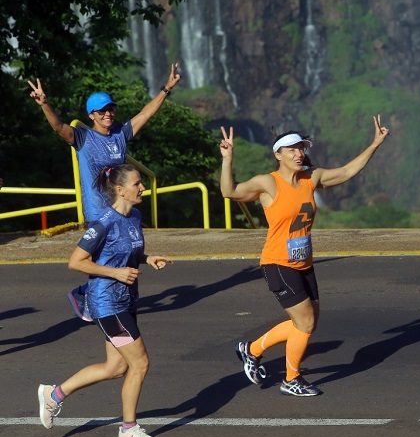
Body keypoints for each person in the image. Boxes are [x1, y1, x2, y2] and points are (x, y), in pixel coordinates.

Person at [221, 117, 389, 396]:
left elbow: (347, 171)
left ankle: (251, 350)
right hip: (277, 263)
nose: (299, 153)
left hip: (304, 264)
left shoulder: (312, 178)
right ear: (278, 154)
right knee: (306, 322)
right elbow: (230, 191)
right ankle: (291, 379)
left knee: (307, 322)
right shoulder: (268, 183)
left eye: (301, 148)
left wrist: (375, 144)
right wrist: (228, 159)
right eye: (292, 149)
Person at [27, 64, 181, 322]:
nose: (108, 114)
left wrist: (167, 88)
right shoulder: (83, 138)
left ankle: (90, 295)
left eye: (111, 109)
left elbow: (145, 115)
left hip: (119, 209)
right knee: (100, 259)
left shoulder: (120, 134)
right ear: (92, 115)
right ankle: (90, 299)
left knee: (118, 254)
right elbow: (59, 127)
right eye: (102, 111)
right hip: (98, 211)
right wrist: (44, 104)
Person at [37, 164, 172, 437]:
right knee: (140, 364)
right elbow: (75, 262)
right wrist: (116, 273)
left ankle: (54, 395)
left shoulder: (134, 216)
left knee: (115, 368)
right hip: (107, 304)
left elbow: (125, 251)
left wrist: (147, 259)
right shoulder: (103, 223)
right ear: (121, 190)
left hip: (126, 299)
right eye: (137, 184)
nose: (143, 188)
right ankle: (128, 430)